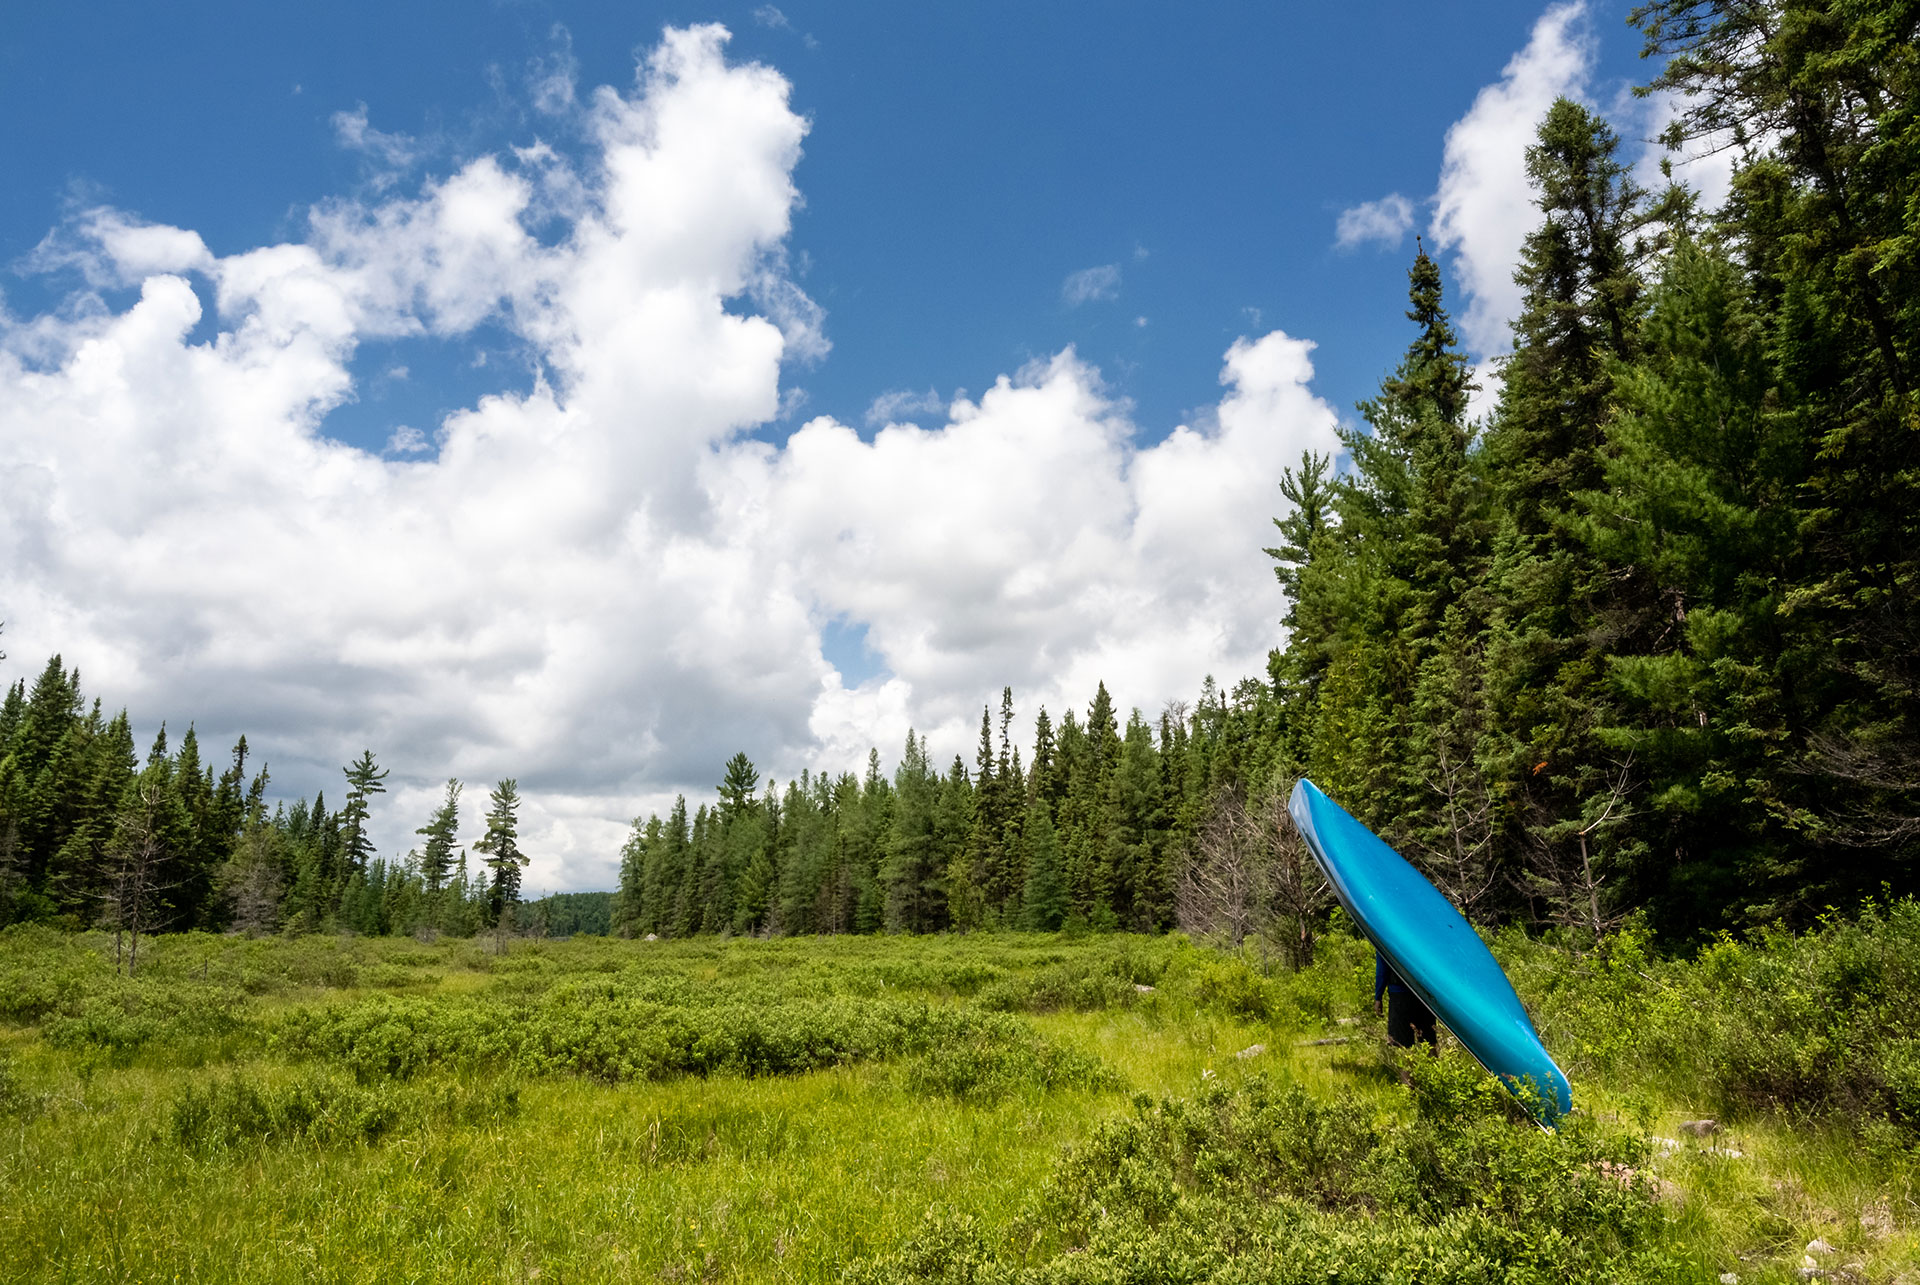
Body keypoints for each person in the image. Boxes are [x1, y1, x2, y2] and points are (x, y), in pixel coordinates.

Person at [1374, 947, 1437, 1052]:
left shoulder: (1383, 937)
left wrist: (1378, 997)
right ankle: (1433, 1067)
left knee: (1402, 1045)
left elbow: (1381, 971)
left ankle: (1409, 1068)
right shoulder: (1421, 935)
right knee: (1428, 1041)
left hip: (1400, 996)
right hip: (1422, 993)